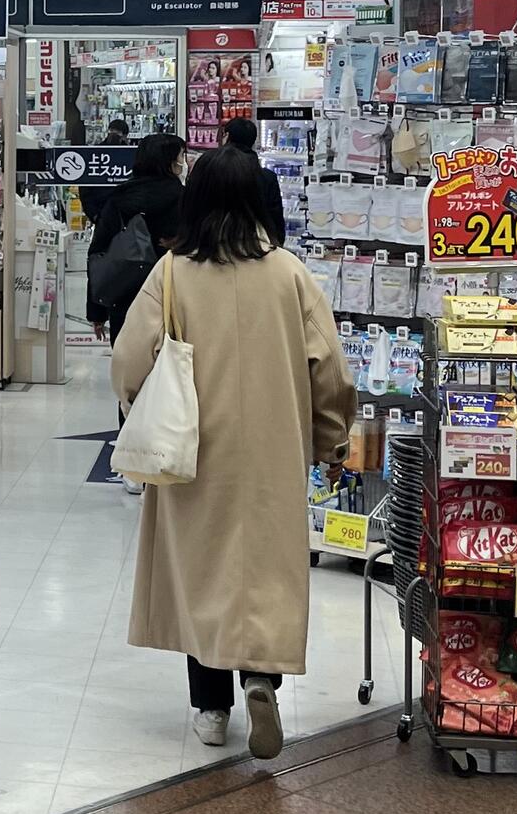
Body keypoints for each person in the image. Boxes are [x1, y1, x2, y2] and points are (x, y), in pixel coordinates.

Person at [112, 147, 354, 756]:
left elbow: (129, 359)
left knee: (202, 572)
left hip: (195, 450)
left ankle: (212, 707)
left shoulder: (172, 273)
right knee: (264, 570)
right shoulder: (290, 274)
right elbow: (329, 370)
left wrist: (136, 407)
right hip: (275, 449)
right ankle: (261, 678)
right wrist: (331, 437)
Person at [87, 129, 185, 342]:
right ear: (168, 162)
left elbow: (99, 253)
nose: (183, 162)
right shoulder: (184, 199)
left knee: (128, 365)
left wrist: (97, 312)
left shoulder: (120, 198)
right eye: (180, 156)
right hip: (172, 297)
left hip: (124, 294)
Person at [220, 113, 287, 246]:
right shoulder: (267, 177)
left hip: (218, 246)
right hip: (258, 247)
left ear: (227, 137)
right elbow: (275, 218)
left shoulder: (212, 169)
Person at [78, 119, 132, 228]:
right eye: (112, 132)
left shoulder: (130, 155)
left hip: (118, 215)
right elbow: (85, 187)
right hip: (105, 214)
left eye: (117, 133)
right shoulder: (96, 154)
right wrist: (93, 214)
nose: (114, 136)